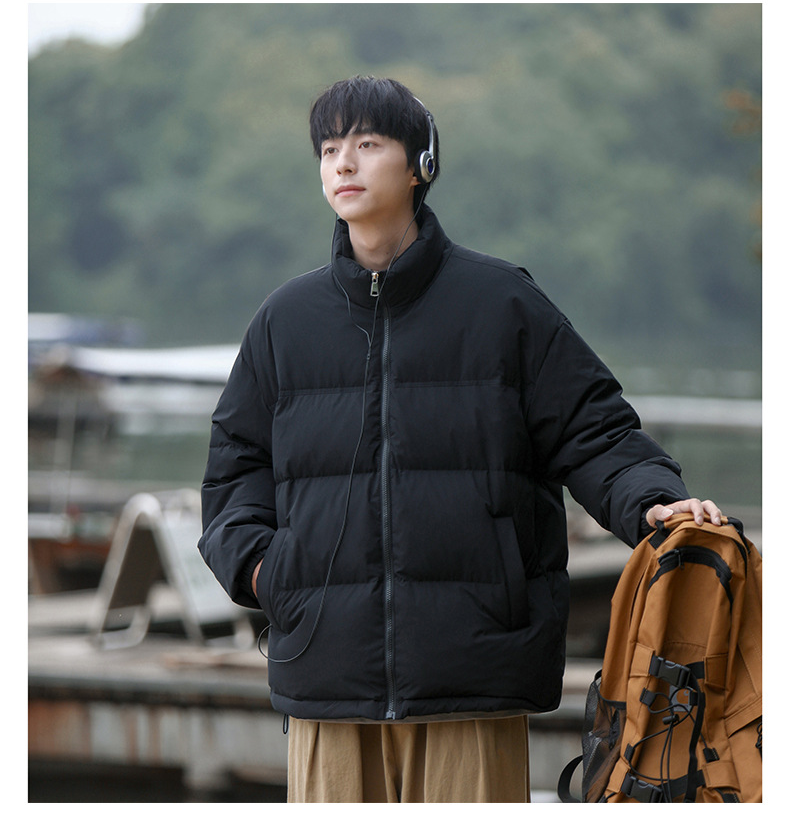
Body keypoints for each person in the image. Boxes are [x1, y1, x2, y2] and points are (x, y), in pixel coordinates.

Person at [198, 75, 722, 803]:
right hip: (327, 677)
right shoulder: (285, 321)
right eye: (329, 148)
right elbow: (233, 473)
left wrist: (654, 500)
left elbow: (594, 429)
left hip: (472, 675)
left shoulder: (502, 303)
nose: (343, 163)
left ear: (422, 165)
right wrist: (268, 574)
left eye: (367, 144)